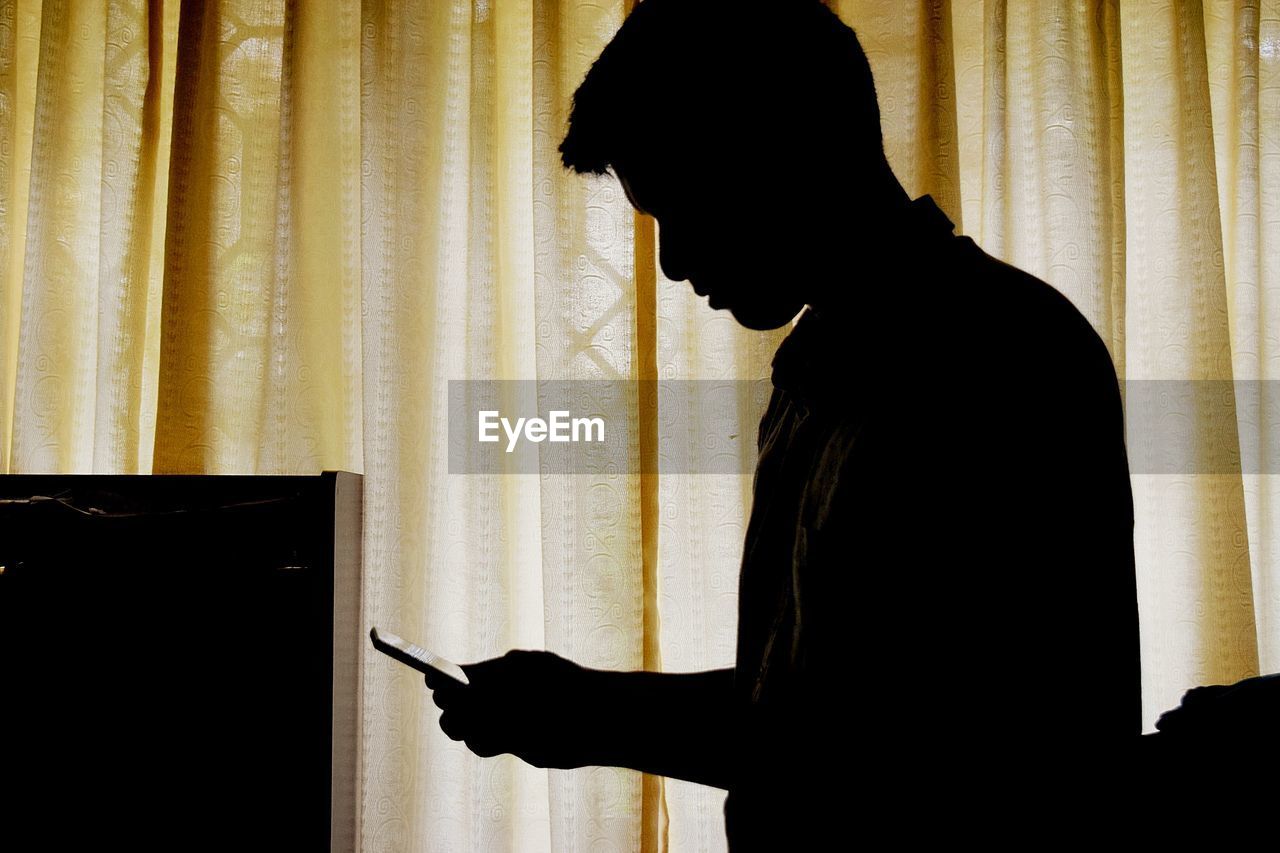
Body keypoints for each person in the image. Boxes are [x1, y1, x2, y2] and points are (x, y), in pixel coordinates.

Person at [426, 1, 1145, 845]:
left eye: (681, 204)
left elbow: (917, 748)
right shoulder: (817, 372)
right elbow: (814, 699)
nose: (673, 263)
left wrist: (594, 711)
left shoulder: (1003, 357)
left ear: (779, 150)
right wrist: (584, 703)